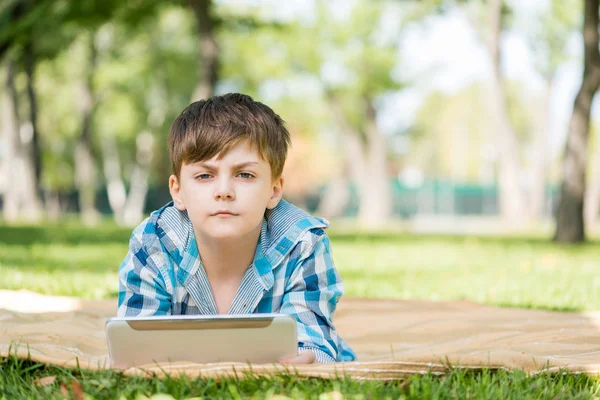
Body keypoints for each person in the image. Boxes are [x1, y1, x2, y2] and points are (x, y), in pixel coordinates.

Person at [117, 93, 356, 364]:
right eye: (205, 175)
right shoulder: (153, 244)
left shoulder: (302, 243)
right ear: (178, 190)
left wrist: (309, 358)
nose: (224, 191)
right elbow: (135, 350)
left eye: (245, 175)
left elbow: (312, 343)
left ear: (274, 190)